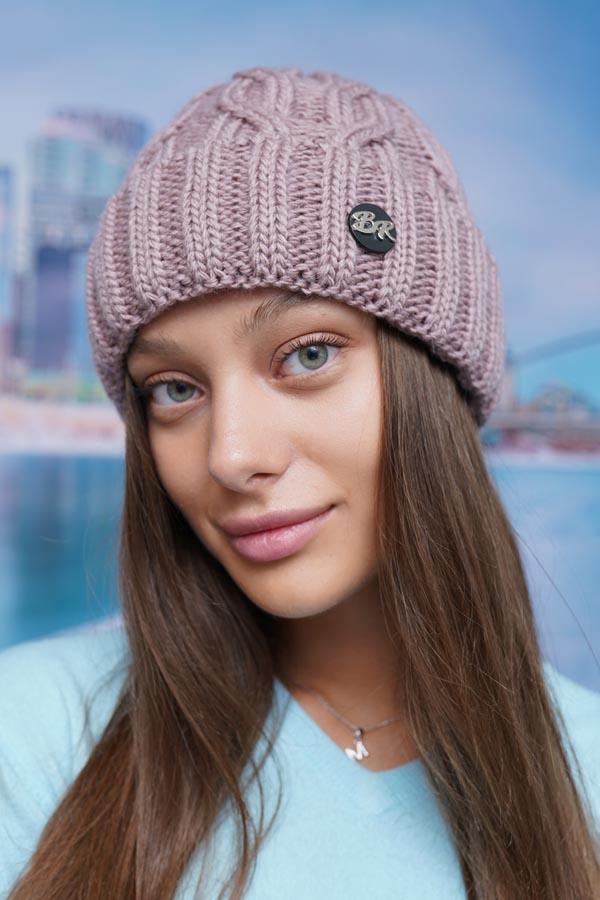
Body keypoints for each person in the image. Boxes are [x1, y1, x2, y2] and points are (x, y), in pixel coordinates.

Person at [1, 65, 599, 899]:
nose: (231, 455)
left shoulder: (588, 765)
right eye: (174, 390)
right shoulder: (30, 731)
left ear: (434, 381)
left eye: (307, 354)